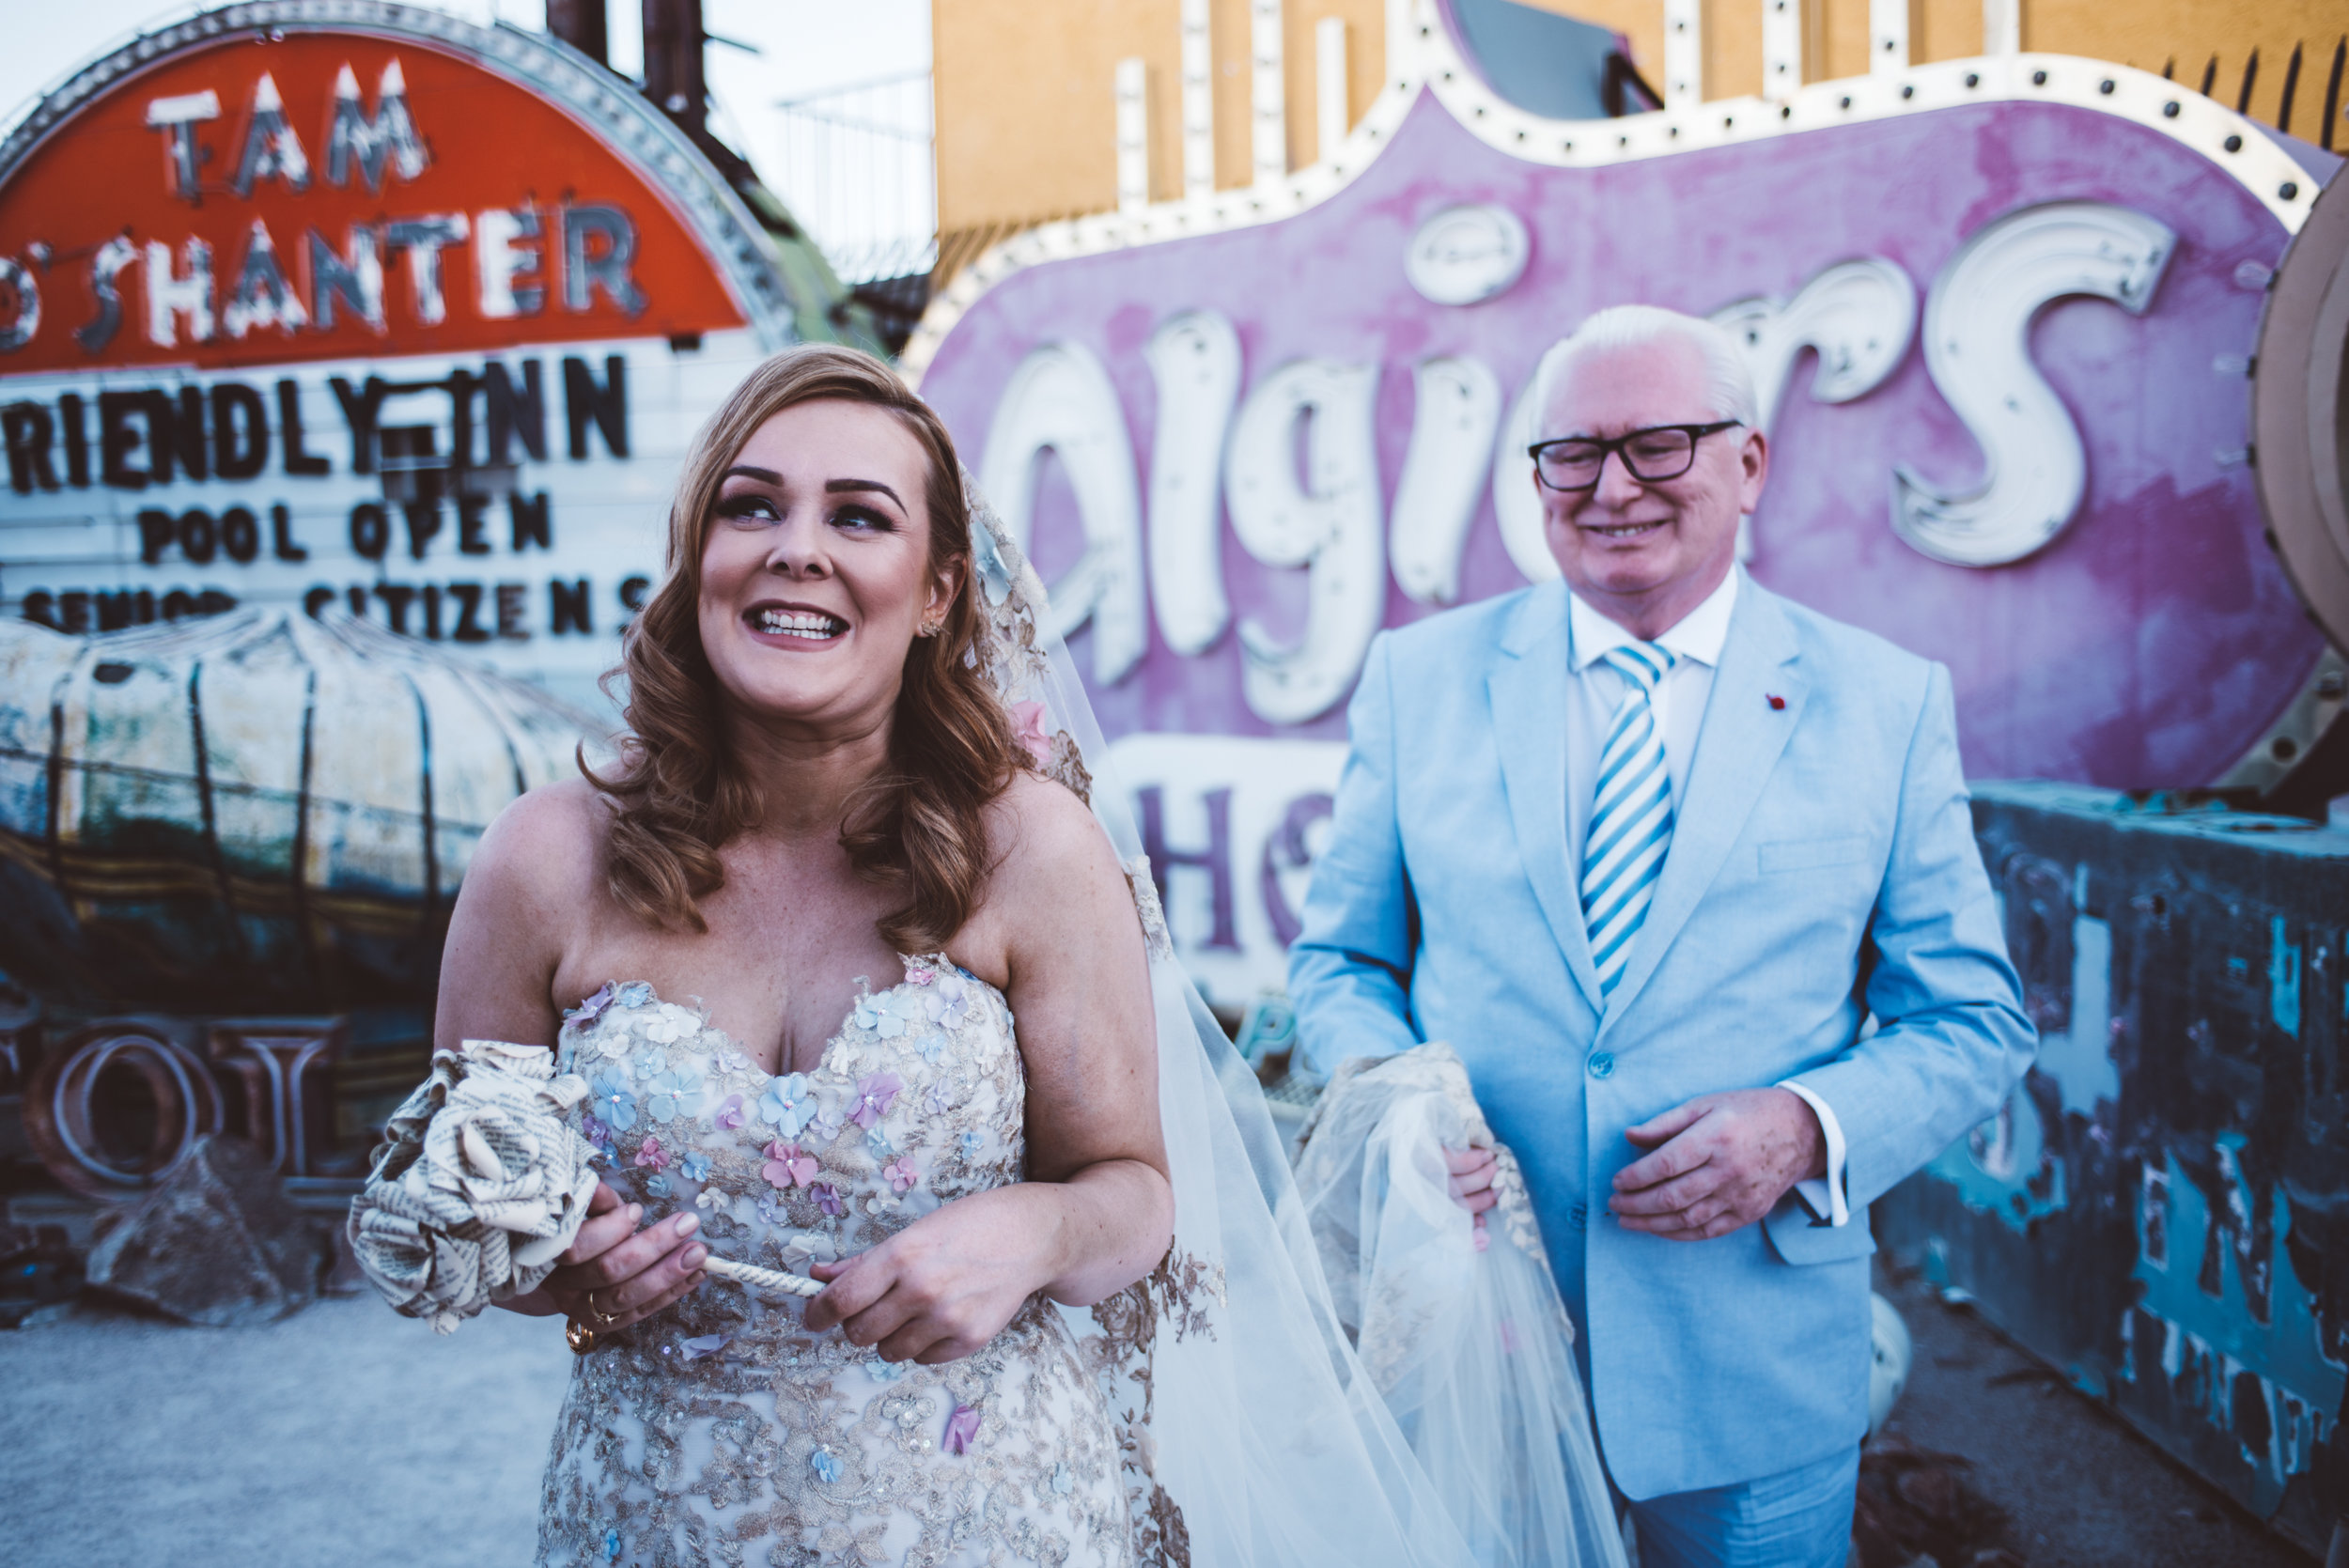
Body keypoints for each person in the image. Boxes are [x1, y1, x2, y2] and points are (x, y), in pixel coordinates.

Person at [428, 345, 1481, 1568]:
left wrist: (1029, 1233)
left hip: (990, 1517)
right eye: (750, 504)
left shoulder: (1031, 850)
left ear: (935, 590)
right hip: (656, 1516)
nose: (795, 546)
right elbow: (464, 1213)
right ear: (696, 555)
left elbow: (1133, 1192)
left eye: (859, 516)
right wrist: (558, 1273)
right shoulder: (544, 857)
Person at [1287, 304, 2036, 1568]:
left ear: (1749, 464)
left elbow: (1974, 1020)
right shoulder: (1419, 680)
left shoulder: (1887, 701)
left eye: (1661, 444)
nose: (1612, 485)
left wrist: (1805, 1125)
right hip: (1479, 1354)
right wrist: (1400, 1102)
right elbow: (1342, 964)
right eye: (1571, 453)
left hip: (1751, 1373)